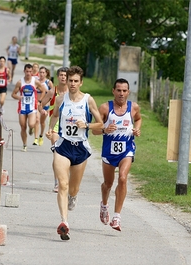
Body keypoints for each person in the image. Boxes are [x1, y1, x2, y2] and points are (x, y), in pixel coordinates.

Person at [46, 66, 103, 241]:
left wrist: (86, 125)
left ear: (81, 82)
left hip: (80, 148)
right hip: (63, 146)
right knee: (62, 184)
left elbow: (100, 124)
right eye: (70, 80)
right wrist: (50, 130)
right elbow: (55, 116)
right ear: (67, 81)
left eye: (76, 81)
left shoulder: (88, 100)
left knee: (73, 187)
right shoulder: (60, 99)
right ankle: (64, 223)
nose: (72, 83)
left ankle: (74, 196)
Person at [92, 78, 142, 231]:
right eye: (118, 90)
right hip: (109, 151)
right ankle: (104, 204)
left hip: (126, 149)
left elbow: (138, 119)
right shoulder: (105, 108)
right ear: (113, 91)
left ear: (128, 92)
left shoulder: (133, 107)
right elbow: (94, 130)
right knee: (108, 184)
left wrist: (137, 129)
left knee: (122, 178)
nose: (121, 93)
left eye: (124, 91)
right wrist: (104, 130)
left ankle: (117, 217)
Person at [38, 66, 68, 192]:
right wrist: (43, 112)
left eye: (65, 75)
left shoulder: (72, 93)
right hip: (55, 125)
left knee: (66, 156)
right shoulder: (52, 91)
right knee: (57, 154)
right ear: (57, 77)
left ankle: (64, 179)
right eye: (61, 75)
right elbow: (41, 105)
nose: (63, 77)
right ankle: (57, 182)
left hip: (68, 126)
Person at [11, 63, 47, 152]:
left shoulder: (35, 81)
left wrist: (39, 101)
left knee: (31, 124)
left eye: (30, 71)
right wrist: (19, 97)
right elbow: (13, 94)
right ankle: (24, 145)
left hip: (32, 107)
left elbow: (43, 91)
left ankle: (31, 128)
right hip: (22, 108)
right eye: (27, 71)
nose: (28, 73)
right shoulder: (20, 82)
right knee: (23, 127)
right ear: (24, 71)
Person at [32, 66, 53, 146]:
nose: (41, 74)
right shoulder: (36, 82)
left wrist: (45, 90)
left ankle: (41, 136)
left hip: (45, 104)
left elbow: (52, 93)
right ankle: (36, 139)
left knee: (42, 122)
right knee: (37, 120)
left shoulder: (48, 82)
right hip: (37, 103)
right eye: (40, 72)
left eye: (43, 72)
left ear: (46, 73)